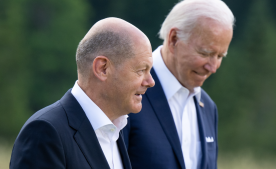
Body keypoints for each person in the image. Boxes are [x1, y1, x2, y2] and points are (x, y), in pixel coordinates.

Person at [10, 17, 155, 169]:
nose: (151, 82)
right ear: (102, 68)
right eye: (141, 70)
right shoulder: (44, 133)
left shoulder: (117, 132)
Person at [123, 0, 235, 169]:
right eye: (205, 53)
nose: (213, 67)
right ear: (174, 39)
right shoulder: (127, 92)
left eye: (220, 56)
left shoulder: (208, 108)